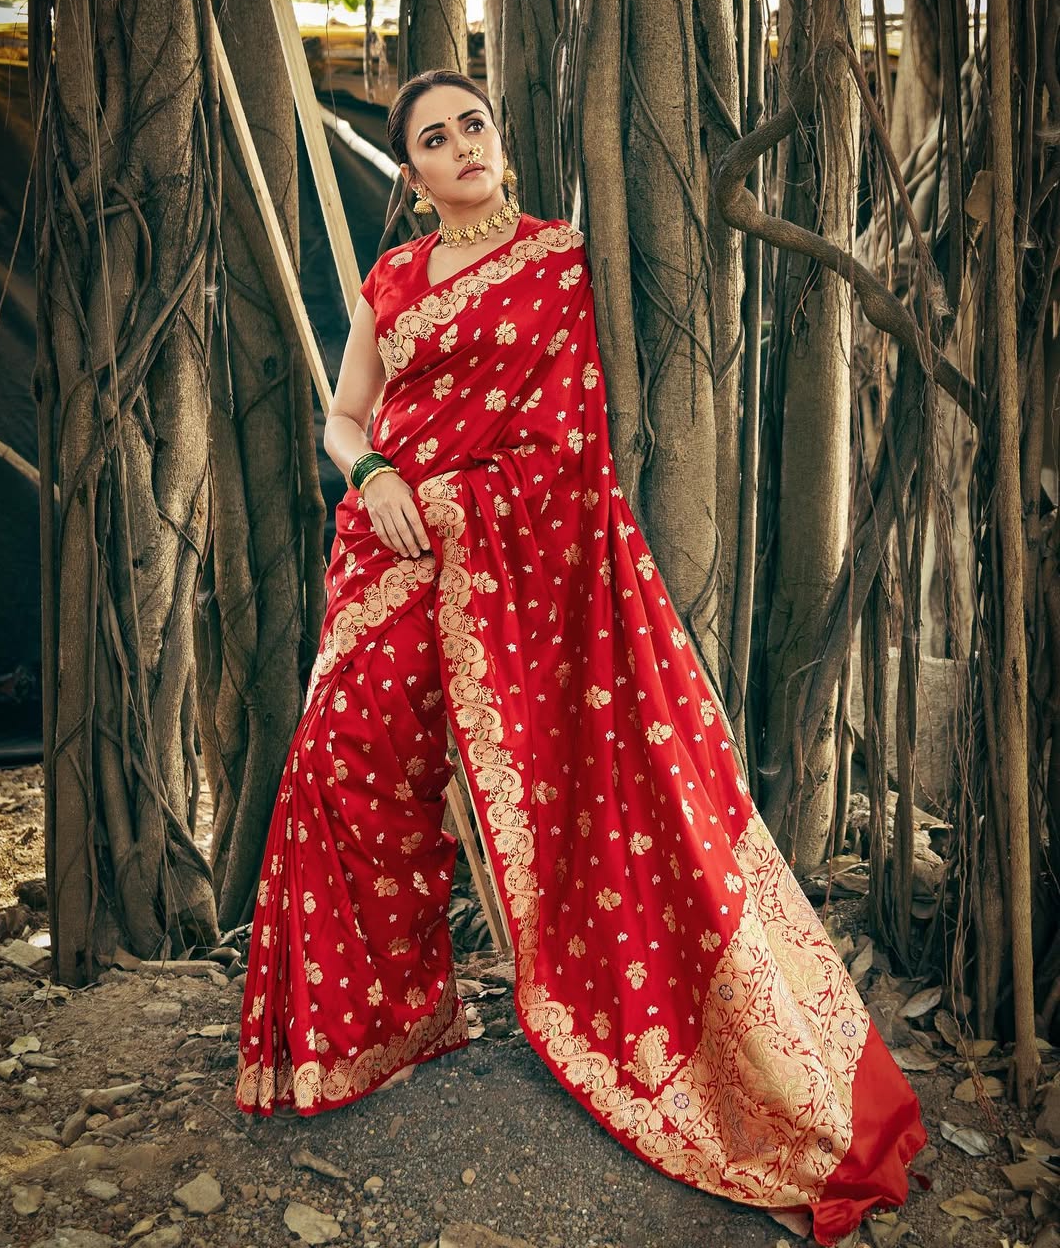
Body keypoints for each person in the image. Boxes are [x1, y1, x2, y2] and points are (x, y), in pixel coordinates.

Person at [236, 67, 927, 1246]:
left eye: (474, 124)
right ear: (412, 172)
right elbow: (345, 415)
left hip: (515, 569)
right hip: (387, 557)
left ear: (500, 139)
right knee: (338, 768)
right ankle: (375, 1030)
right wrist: (377, 472)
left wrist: (447, 501)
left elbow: (566, 446)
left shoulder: (558, 261)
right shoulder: (393, 278)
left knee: (596, 799)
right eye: (435, 138)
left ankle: (701, 1050)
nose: (462, 145)